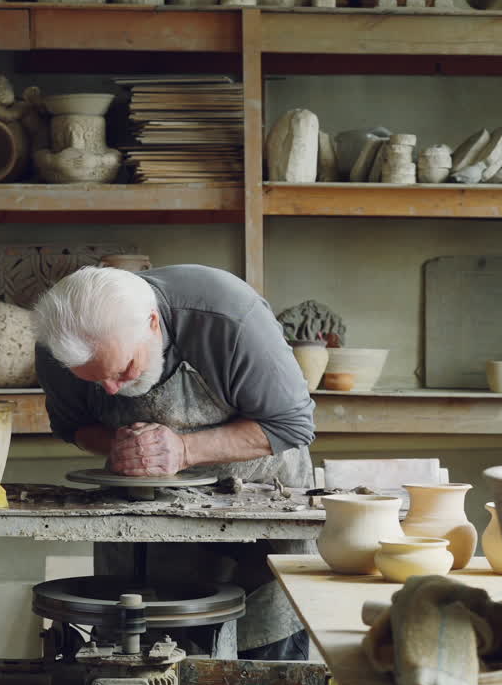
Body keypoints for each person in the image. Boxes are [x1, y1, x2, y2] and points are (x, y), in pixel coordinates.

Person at [33, 264, 316, 660]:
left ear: (152, 324)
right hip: (146, 526)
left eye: (124, 370)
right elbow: (72, 426)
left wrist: (182, 450)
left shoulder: (228, 317)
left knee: (263, 657)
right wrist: (120, 446)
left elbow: (292, 425)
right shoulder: (59, 344)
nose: (111, 389)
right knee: (139, 652)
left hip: (256, 522)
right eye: (95, 381)